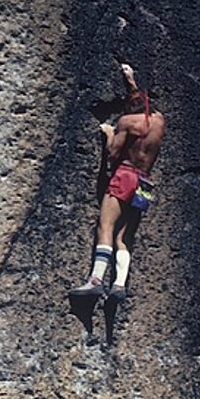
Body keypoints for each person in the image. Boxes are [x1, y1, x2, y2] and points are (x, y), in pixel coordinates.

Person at [70, 63, 165, 301]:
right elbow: (137, 99)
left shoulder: (127, 123)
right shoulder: (158, 121)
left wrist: (110, 134)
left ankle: (95, 280)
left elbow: (113, 154)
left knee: (106, 227)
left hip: (125, 175)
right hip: (144, 181)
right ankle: (119, 284)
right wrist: (130, 80)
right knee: (124, 235)